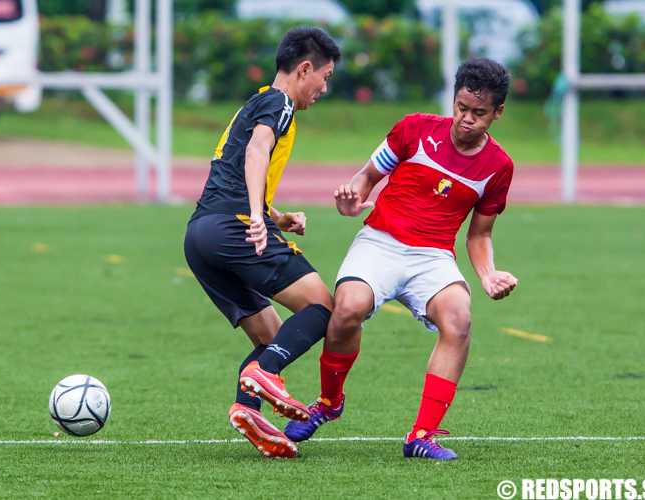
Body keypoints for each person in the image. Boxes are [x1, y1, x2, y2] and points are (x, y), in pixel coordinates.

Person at [284, 58, 519, 460]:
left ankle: (422, 435)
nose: (466, 119)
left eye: (479, 113)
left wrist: (488, 274)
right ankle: (328, 402)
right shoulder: (415, 128)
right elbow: (366, 179)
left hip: (434, 257)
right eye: (461, 107)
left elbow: (479, 235)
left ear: (498, 112)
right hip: (380, 241)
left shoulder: (499, 166)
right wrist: (352, 200)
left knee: (460, 320)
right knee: (346, 311)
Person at [184, 27, 341, 459]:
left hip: (201, 234)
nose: (324, 88)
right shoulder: (280, 102)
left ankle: (248, 408)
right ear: (304, 69)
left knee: (271, 336)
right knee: (324, 307)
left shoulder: (254, 102)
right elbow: (256, 151)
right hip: (235, 228)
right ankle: (266, 375)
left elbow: (232, 172)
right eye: (324, 77)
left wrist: (275, 216)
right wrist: (256, 215)